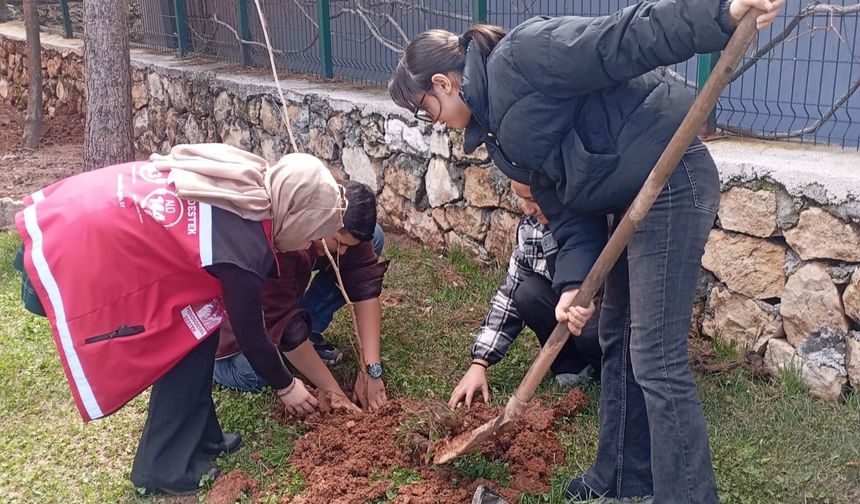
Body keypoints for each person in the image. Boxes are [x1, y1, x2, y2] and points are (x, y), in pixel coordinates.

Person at [387, 1, 784, 502]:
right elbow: (567, 208)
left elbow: (618, 39)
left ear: (443, 83)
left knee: (656, 358)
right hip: (626, 199)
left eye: (427, 108)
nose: (437, 121)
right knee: (617, 334)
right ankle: (621, 477)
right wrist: (574, 282)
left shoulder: (522, 56)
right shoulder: (499, 138)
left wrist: (718, 15)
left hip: (671, 177)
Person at [14, 144, 347, 495]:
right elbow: (251, 332)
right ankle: (161, 468)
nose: (308, 243)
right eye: (310, 232)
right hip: (73, 248)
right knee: (179, 346)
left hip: (84, 213)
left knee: (195, 335)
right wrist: (287, 386)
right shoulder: (245, 246)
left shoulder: (252, 185)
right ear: (295, 214)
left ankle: (202, 438)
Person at [214, 181, 390, 412]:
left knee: (372, 237)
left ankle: (308, 332)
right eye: (339, 242)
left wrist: (371, 369)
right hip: (228, 337)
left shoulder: (333, 213)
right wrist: (336, 394)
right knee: (260, 372)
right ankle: (211, 367)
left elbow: (364, 284)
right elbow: (283, 321)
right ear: (322, 221)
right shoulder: (280, 243)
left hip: (274, 303)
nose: (344, 252)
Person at [449, 181, 602, 409]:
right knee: (527, 293)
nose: (526, 208)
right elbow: (509, 296)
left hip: (602, 324)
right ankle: (573, 366)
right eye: (521, 199)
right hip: (567, 320)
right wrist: (479, 362)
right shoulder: (531, 229)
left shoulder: (596, 221)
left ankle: (609, 371)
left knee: (590, 328)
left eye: (532, 199)